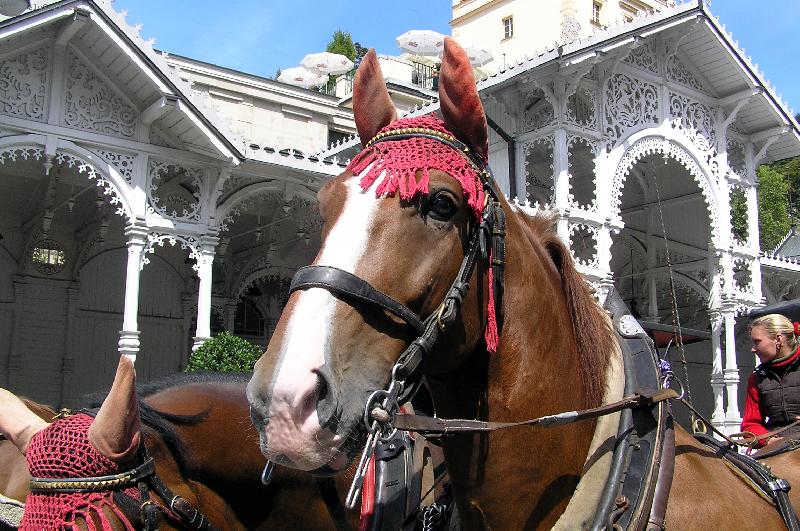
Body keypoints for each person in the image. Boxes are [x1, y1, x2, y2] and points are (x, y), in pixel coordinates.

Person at [740, 313, 800, 448]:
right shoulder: (756, 378)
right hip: (775, 449)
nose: (753, 349)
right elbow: (750, 425)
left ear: (778, 339)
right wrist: (768, 440)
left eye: (757, 342)